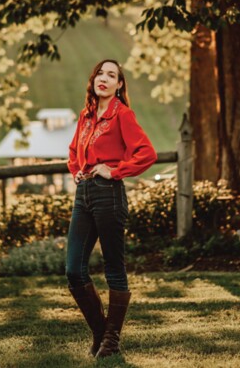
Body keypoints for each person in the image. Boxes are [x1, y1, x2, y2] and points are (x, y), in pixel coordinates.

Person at [66, 59, 157, 358]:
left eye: (112, 75)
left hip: (109, 195)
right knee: (74, 270)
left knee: (113, 268)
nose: (103, 78)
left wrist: (115, 171)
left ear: (119, 85)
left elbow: (147, 153)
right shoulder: (86, 116)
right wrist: (78, 169)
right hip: (84, 193)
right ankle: (101, 334)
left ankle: (111, 340)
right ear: (93, 81)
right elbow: (73, 151)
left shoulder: (123, 115)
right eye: (100, 73)